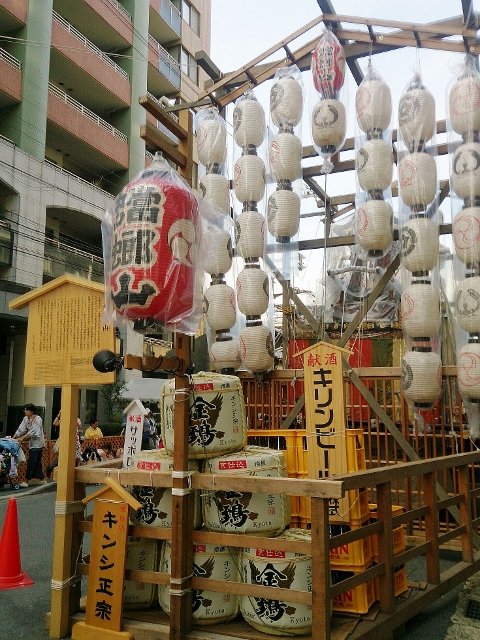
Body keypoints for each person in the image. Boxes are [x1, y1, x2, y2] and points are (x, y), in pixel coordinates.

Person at [13, 403, 46, 486]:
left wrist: (22, 438)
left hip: (38, 443)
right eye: (24, 410)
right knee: (36, 461)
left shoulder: (38, 419)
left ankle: (27, 479)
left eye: (27, 410)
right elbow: (21, 429)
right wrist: (13, 437)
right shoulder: (25, 419)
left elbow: (34, 431)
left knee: (32, 460)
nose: (25, 411)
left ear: (32, 411)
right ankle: (39, 478)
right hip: (31, 443)